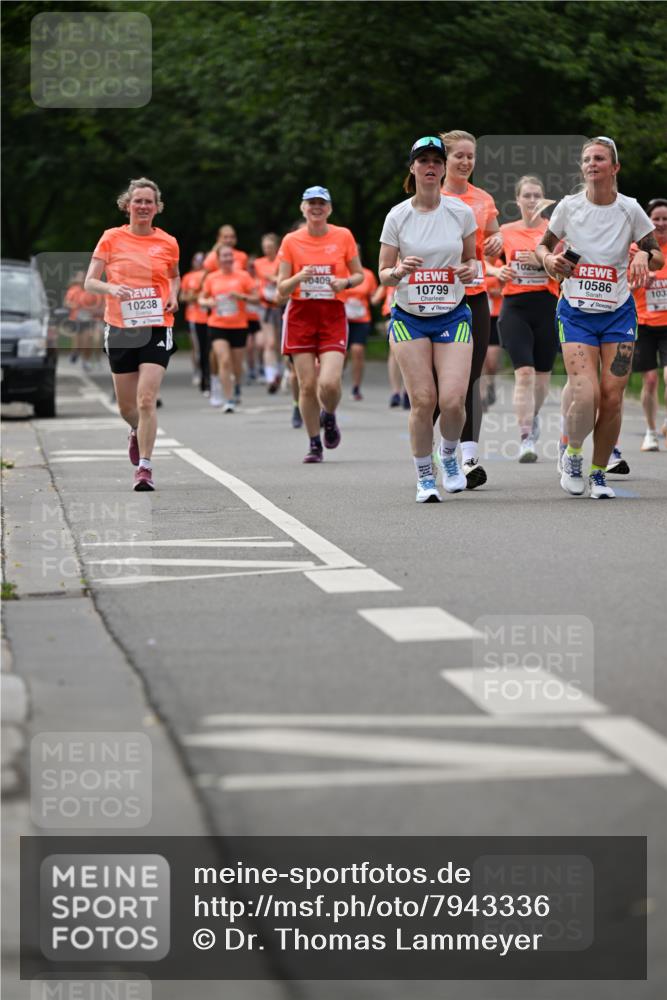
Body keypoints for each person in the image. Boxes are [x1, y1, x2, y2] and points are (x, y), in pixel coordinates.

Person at [535, 137, 663, 498]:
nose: (592, 164)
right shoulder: (569, 207)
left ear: (614, 167)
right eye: (587, 159)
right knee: (586, 391)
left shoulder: (630, 209)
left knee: (612, 396)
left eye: (600, 159)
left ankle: (599, 472)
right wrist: (548, 261)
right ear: (582, 167)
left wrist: (642, 257)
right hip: (576, 312)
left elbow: (656, 256)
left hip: (618, 313)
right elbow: (542, 246)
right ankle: (573, 454)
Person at [378, 136, 478, 502]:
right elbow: (383, 273)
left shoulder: (460, 213)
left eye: (437, 160)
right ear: (413, 168)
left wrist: (470, 272)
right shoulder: (398, 216)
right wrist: (399, 270)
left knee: (452, 400)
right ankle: (424, 476)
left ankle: (448, 456)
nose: (431, 166)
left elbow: (472, 261)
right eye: (424, 161)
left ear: (444, 167)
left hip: (453, 315)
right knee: (423, 399)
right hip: (410, 317)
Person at [84, 177, 180, 491]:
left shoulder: (167, 242)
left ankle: (145, 468)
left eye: (148, 202)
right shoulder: (111, 238)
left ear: (157, 207)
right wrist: (112, 287)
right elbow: (90, 282)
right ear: (128, 205)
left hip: (157, 325)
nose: (142, 206)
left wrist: (174, 296)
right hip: (121, 327)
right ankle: (136, 431)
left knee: (146, 398)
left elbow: (174, 277)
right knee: (128, 407)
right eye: (137, 201)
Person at [277, 185, 363, 463]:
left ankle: (329, 414)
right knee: (306, 385)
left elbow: (359, 275)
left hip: (332, 314)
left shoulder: (343, 236)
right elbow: (281, 289)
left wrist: (345, 282)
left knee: (329, 382)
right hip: (300, 314)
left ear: (329, 209)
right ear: (302, 208)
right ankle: (314, 443)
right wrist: (299, 277)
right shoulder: (291, 241)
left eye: (321, 203)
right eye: (311, 203)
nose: (316, 207)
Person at [440, 129, 503, 488]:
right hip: (436, 299)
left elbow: (494, 241)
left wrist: (497, 241)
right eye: (458, 156)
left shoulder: (483, 199)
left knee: (471, 378)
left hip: (475, 295)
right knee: (440, 385)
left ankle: (468, 458)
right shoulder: (433, 197)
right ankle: (441, 450)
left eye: (470, 156)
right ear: (445, 160)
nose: (465, 162)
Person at [489, 175, 559, 461]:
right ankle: (525, 437)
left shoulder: (555, 232)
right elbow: (478, 260)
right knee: (524, 373)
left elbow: (567, 270)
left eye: (536, 196)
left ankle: (534, 415)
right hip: (515, 307)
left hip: (547, 306)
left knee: (542, 378)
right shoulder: (504, 231)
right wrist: (497, 272)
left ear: (543, 200)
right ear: (517, 200)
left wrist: (543, 260)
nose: (532, 200)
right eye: (526, 195)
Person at [199, 245, 259, 412]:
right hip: (217, 324)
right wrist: (208, 302)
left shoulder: (243, 276)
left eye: (230, 256)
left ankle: (237, 384)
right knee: (224, 360)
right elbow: (201, 299)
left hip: (239, 325)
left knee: (237, 363)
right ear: (218, 259)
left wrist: (242, 297)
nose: (227, 259)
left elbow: (257, 299)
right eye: (224, 256)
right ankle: (229, 398)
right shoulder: (212, 278)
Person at [631, 197, 667, 450]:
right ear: (648, 221)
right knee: (651, 380)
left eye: (666, 219)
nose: (662, 223)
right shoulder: (636, 248)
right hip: (643, 323)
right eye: (656, 219)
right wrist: (642, 281)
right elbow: (626, 284)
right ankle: (651, 431)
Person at [339, 245, 378, 400]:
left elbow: (374, 296)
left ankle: (356, 387)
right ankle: (336, 380)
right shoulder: (341, 273)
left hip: (362, 319)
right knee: (342, 354)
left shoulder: (367, 275)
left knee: (357, 351)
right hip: (342, 319)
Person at [254, 233, 283, 393]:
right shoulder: (259, 263)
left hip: (280, 305)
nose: (267, 250)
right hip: (265, 306)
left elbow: (282, 277)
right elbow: (259, 280)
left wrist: (274, 278)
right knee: (269, 343)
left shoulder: (282, 260)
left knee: (280, 343)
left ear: (276, 247)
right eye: (265, 247)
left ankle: (281, 372)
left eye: (270, 247)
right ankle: (271, 377)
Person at [180, 252, 210, 392]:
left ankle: (208, 373)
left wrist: (198, 296)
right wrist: (191, 297)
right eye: (196, 260)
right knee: (196, 347)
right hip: (193, 317)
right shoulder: (188, 277)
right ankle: (197, 371)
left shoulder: (209, 276)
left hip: (208, 316)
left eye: (201, 260)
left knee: (208, 349)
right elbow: (182, 297)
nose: (198, 262)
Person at [481, 261, 503, 409]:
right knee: (480, 357)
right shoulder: (473, 259)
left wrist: (498, 292)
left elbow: (509, 286)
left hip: (495, 315)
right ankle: (482, 395)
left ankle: (490, 383)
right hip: (479, 315)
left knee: (492, 361)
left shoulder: (499, 264)